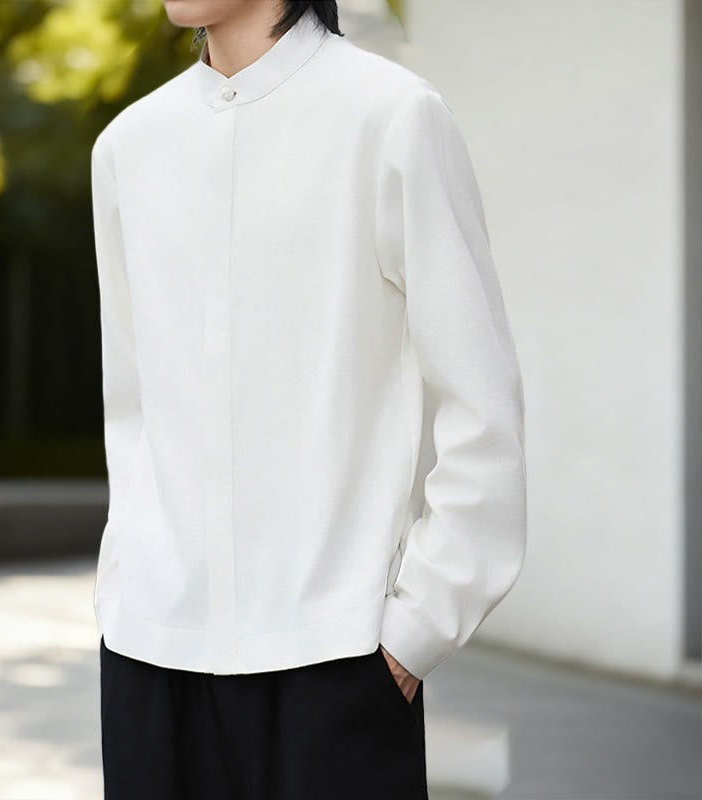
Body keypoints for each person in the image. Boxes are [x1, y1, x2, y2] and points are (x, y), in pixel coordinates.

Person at [90, 0, 527, 797]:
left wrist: (418, 628)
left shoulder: (393, 117)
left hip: (338, 669)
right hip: (149, 661)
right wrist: (122, 589)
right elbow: (133, 406)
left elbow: (482, 403)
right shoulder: (128, 146)